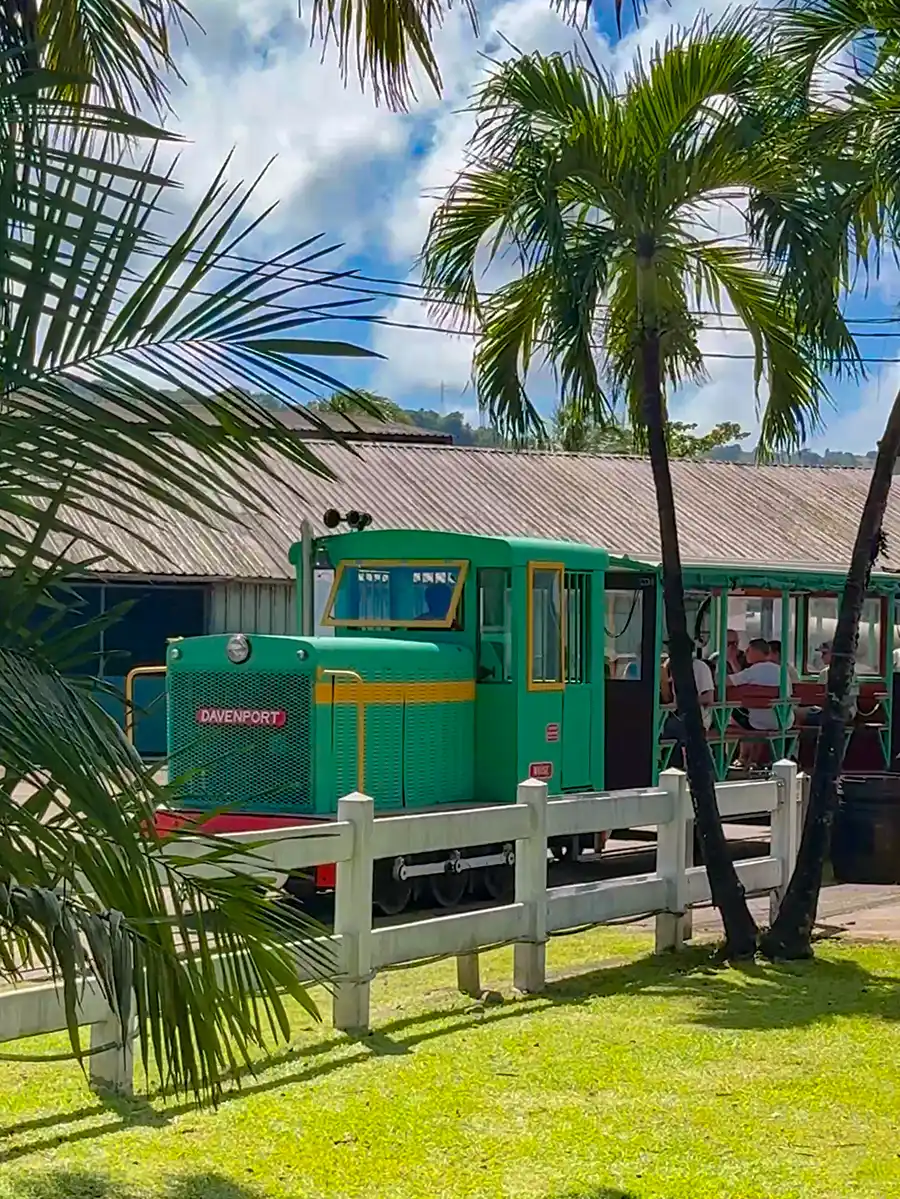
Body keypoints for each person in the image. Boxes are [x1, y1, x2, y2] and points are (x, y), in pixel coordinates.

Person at [659, 648, 715, 760]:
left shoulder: (699, 667)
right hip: (672, 715)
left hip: (696, 716)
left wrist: (685, 701)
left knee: (671, 729)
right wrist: (664, 680)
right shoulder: (668, 666)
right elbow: (668, 698)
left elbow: (708, 698)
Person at [805, 640, 858, 724]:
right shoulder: (823, 673)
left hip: (846, 709)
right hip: (826, 709)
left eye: (824, 653)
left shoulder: (849, 674)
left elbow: (849, 700)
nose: (822, 657)